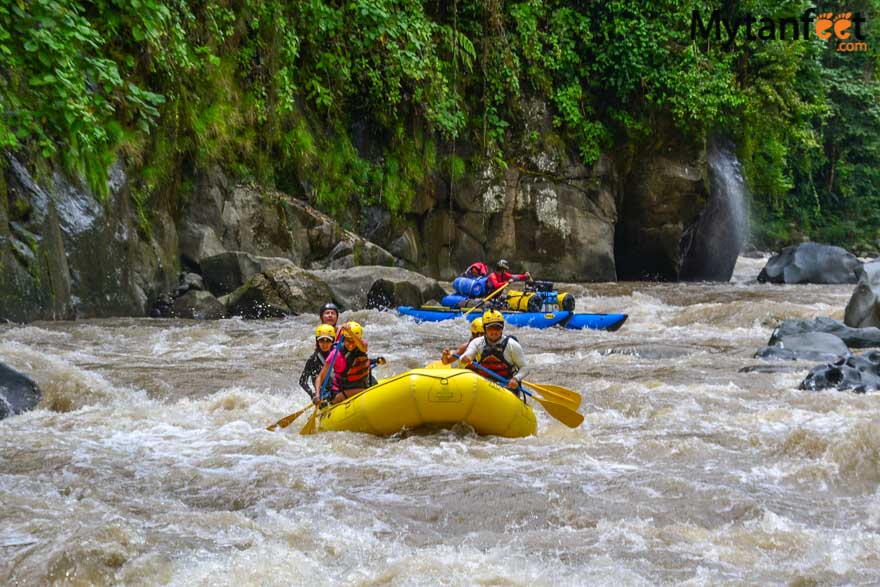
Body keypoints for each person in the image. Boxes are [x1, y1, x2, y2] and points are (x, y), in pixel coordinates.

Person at [459, 310, 530, 391]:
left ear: (502, 328)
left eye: (497, 328)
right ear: (485, 329)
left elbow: (525, 367)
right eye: (490, 328)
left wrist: (516, 379)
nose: (494, 332)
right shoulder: (477, 342)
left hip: (506, 386)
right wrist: (465, 358)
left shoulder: (512, 345)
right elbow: (464, 357)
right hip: (483, 384)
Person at [316, 321, 371, 404]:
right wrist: (317, 394)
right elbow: (320, 376)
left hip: (362, 385)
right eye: (348, 341)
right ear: (343, 339)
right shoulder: (335, 354)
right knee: (359, 391)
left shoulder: (362, 345)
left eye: (353, 341)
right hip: (342, 391)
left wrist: (350, 333)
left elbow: (364, 348)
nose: (351, 344)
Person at [299, 324, 341, 399]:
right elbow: (302, 381)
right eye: (321, 341)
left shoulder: (337, 354)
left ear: (332, 341)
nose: (324, 344)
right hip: (323, 395)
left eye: (328, 340)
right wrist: (312, 394)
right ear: (317, 342)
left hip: (337, 390)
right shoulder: (312, 360)